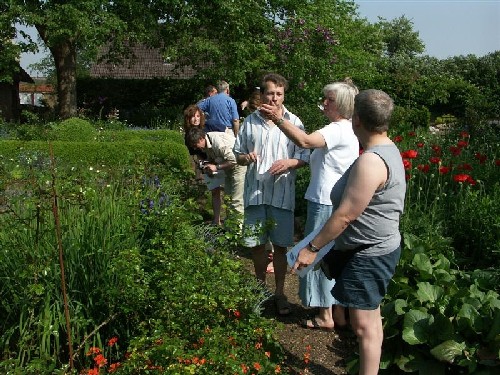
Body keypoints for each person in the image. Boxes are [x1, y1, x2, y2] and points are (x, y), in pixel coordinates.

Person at [291, 89, 406, 375]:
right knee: (370, 322)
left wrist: (311, 249)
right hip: (377, 247)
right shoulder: (388, 149)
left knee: (364, 326)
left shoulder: (371, 161)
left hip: (370, 253)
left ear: (356, 119)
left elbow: (345, 215)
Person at [261, 81, 359, 331]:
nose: (324, 103)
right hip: (333, 201)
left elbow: (304, 142)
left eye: (329, 99)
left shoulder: (336, 129)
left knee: (316, 257)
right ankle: (338, 314)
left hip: (324, 201)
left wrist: (278, 119)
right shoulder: (350, 129)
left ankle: (324, 315)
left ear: (343, 105)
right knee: (332, 256)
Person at [233, 73, 310, 316]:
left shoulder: (294, 122)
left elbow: (305, 156)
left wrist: (290, 163)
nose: (274, 98)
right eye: (270, 93)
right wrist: (246, 158)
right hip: (255, 194)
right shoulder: (250, 122)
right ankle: (259, 290)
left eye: (279, 94)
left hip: (281, 195)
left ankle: (279, 293)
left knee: (280, 247)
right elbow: (237, 154)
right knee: (256, 245)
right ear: (262, 95)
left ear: (283, 95)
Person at [186, 127, 246, 221]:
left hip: (239, 165)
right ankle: (230, 227)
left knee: (236, 200)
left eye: (195, 144)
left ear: (201, 139)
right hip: (229, 167)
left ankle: (238, 231)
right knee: (228, 198)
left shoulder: (217, 142)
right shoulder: (206, 144)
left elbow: (234, 160)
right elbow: (215, 159)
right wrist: (209, 166)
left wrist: (216, 167)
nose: (195, 148)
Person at [182, 104, 225, 225]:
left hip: (222, 159)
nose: (196, 119)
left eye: (197, 116)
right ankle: (216, 219)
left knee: (229, 189)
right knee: (215, 191)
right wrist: (204, 165)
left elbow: (224, 134)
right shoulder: (188, 136)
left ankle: (232, 218)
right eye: (192, 117)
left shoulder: (210, 125)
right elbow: (195, 154)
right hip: (207, 163)